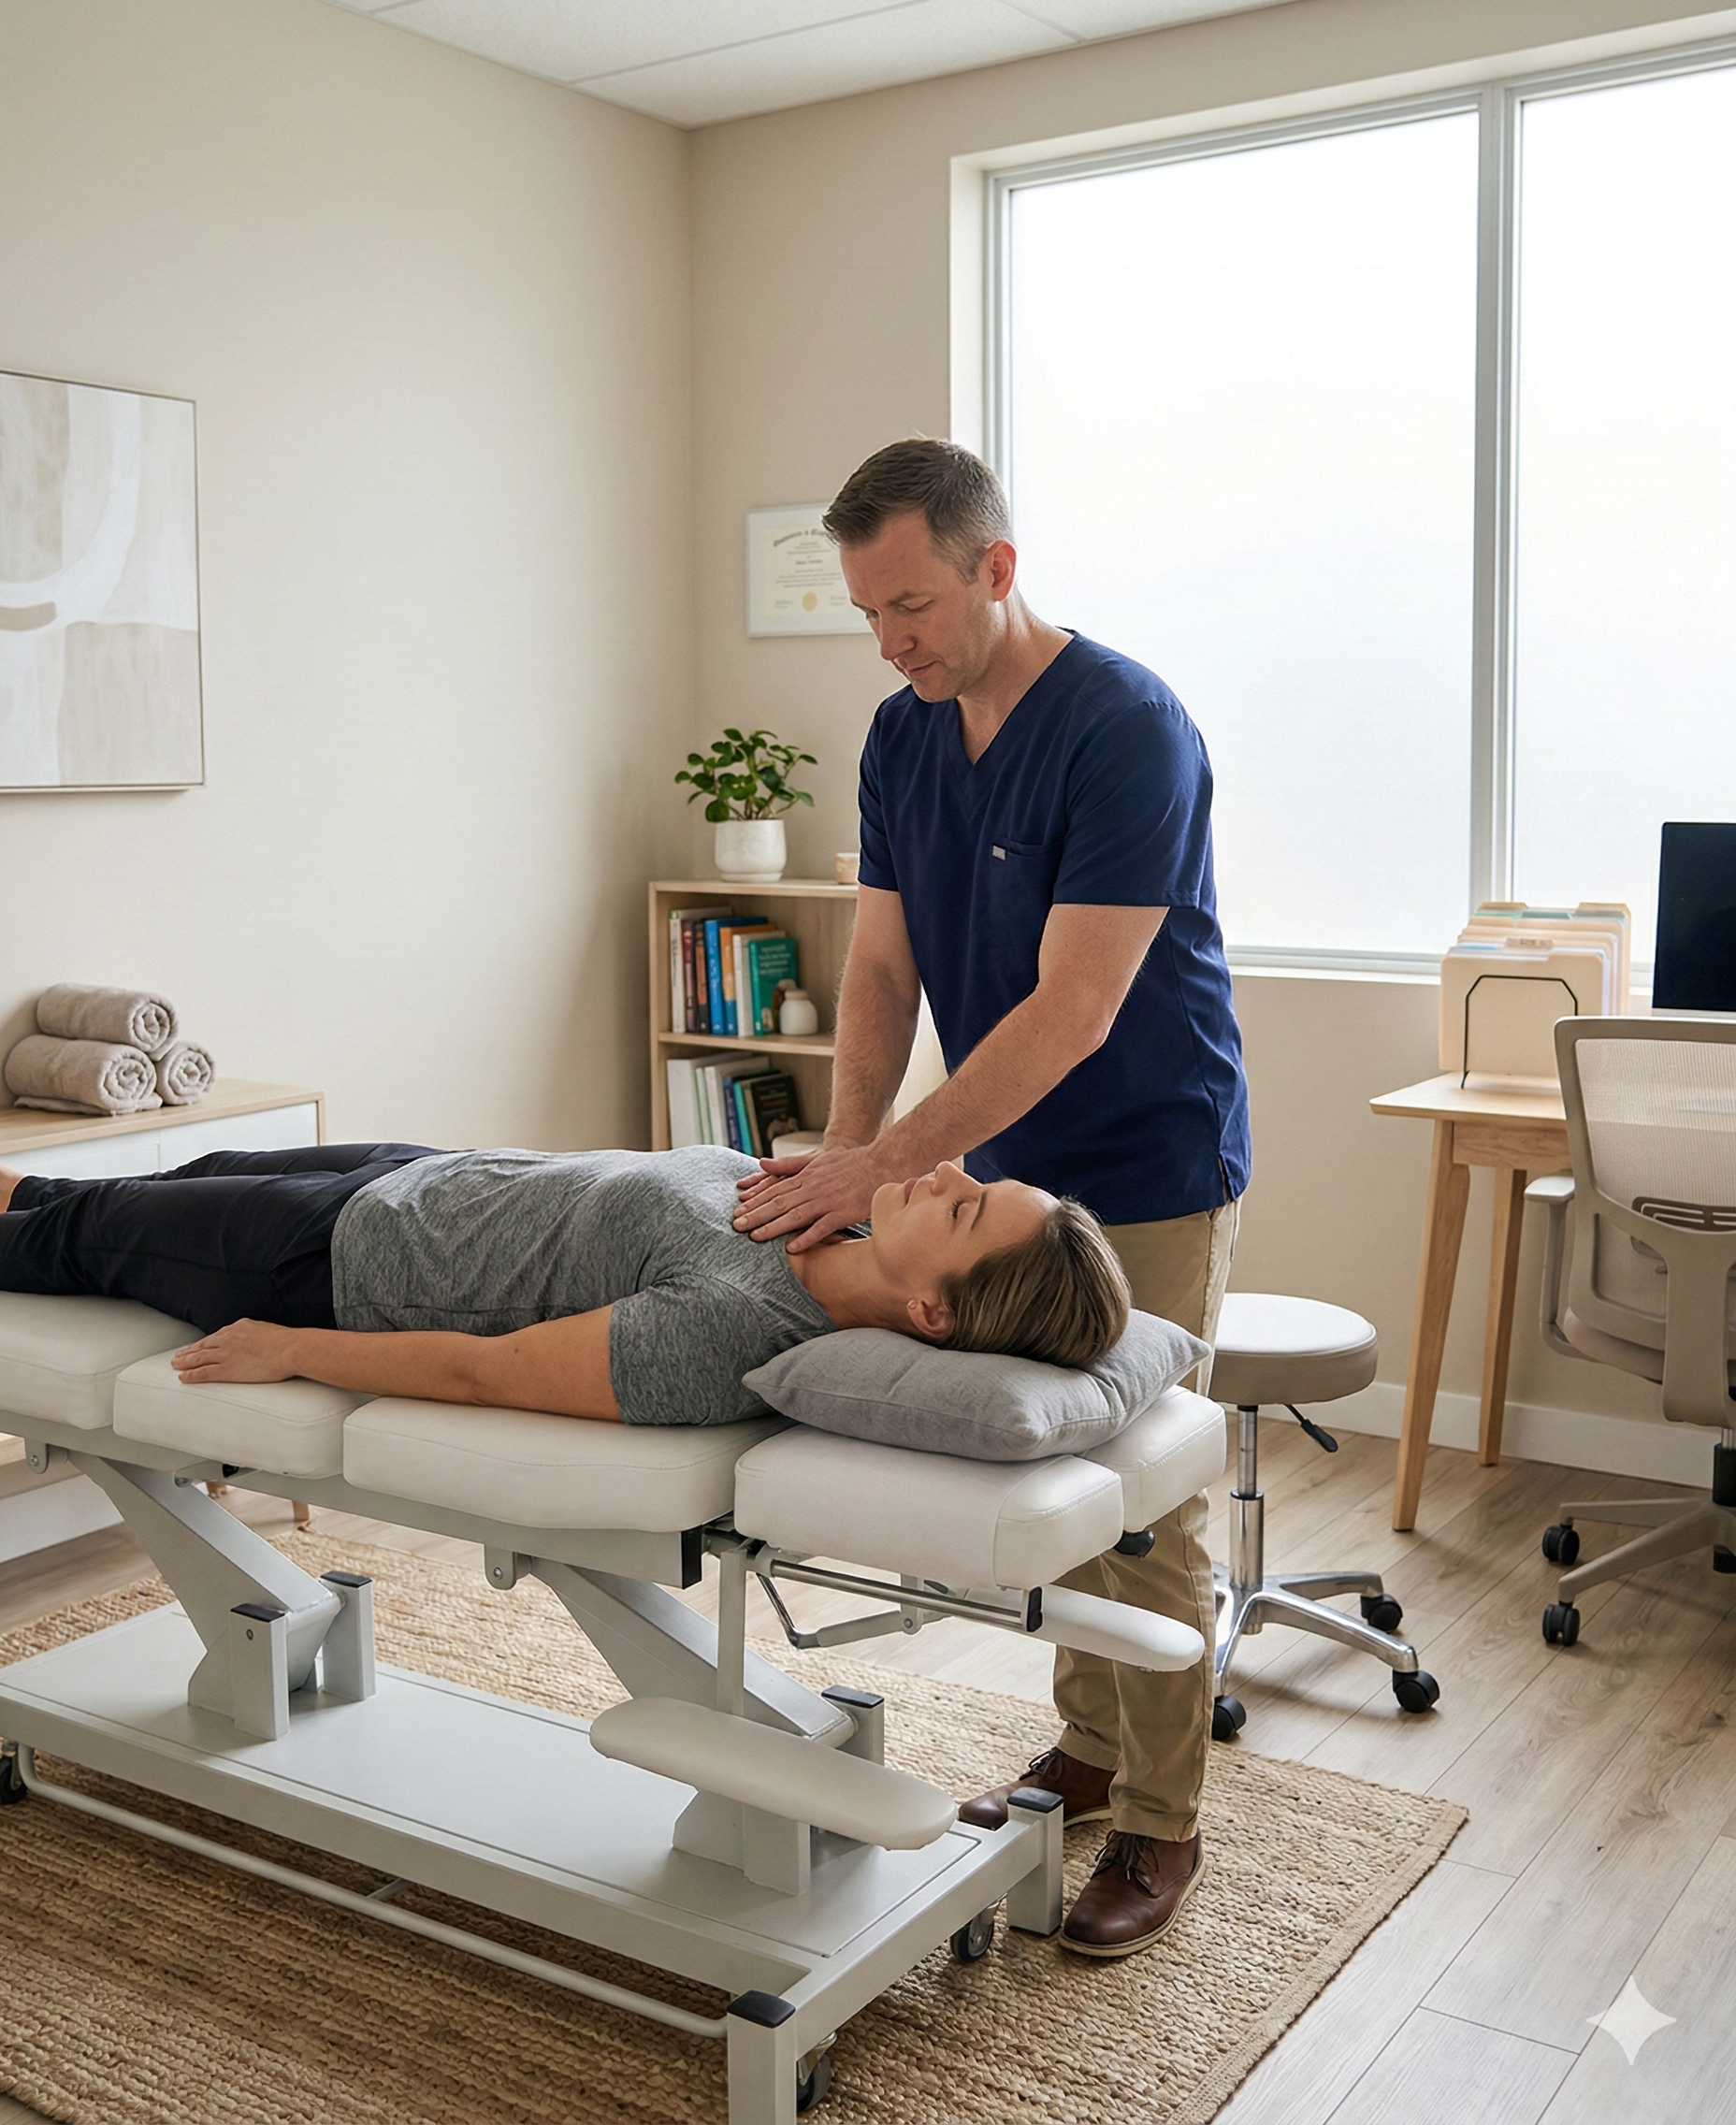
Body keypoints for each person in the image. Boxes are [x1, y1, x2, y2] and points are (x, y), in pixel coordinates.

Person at [733, 438, 1250, 1960]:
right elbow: (883, 967)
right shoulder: (903, 739)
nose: (888, 643)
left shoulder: (1125, 728)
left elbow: (1073, 1005)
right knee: (1050, 1484)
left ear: (993, 569)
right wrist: (844, 1161)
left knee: (1145, 1506)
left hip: (1146, 1159)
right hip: (1000, 1161)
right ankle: (1086, 1749)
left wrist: (882, 1166)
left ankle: (1162, 1823)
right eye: (868, 616)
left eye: (908, 606)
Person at [0, 1140, 1129, 1424]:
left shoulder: (730, 1329)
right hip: (417, 1174)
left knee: (71, 1232)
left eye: (964, 1207)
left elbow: (485, 1371)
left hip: (333, 1261)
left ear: (932, 1311)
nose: (942, 1171)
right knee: (102, 1189)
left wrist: (291, 1349)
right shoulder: (824, 1210)